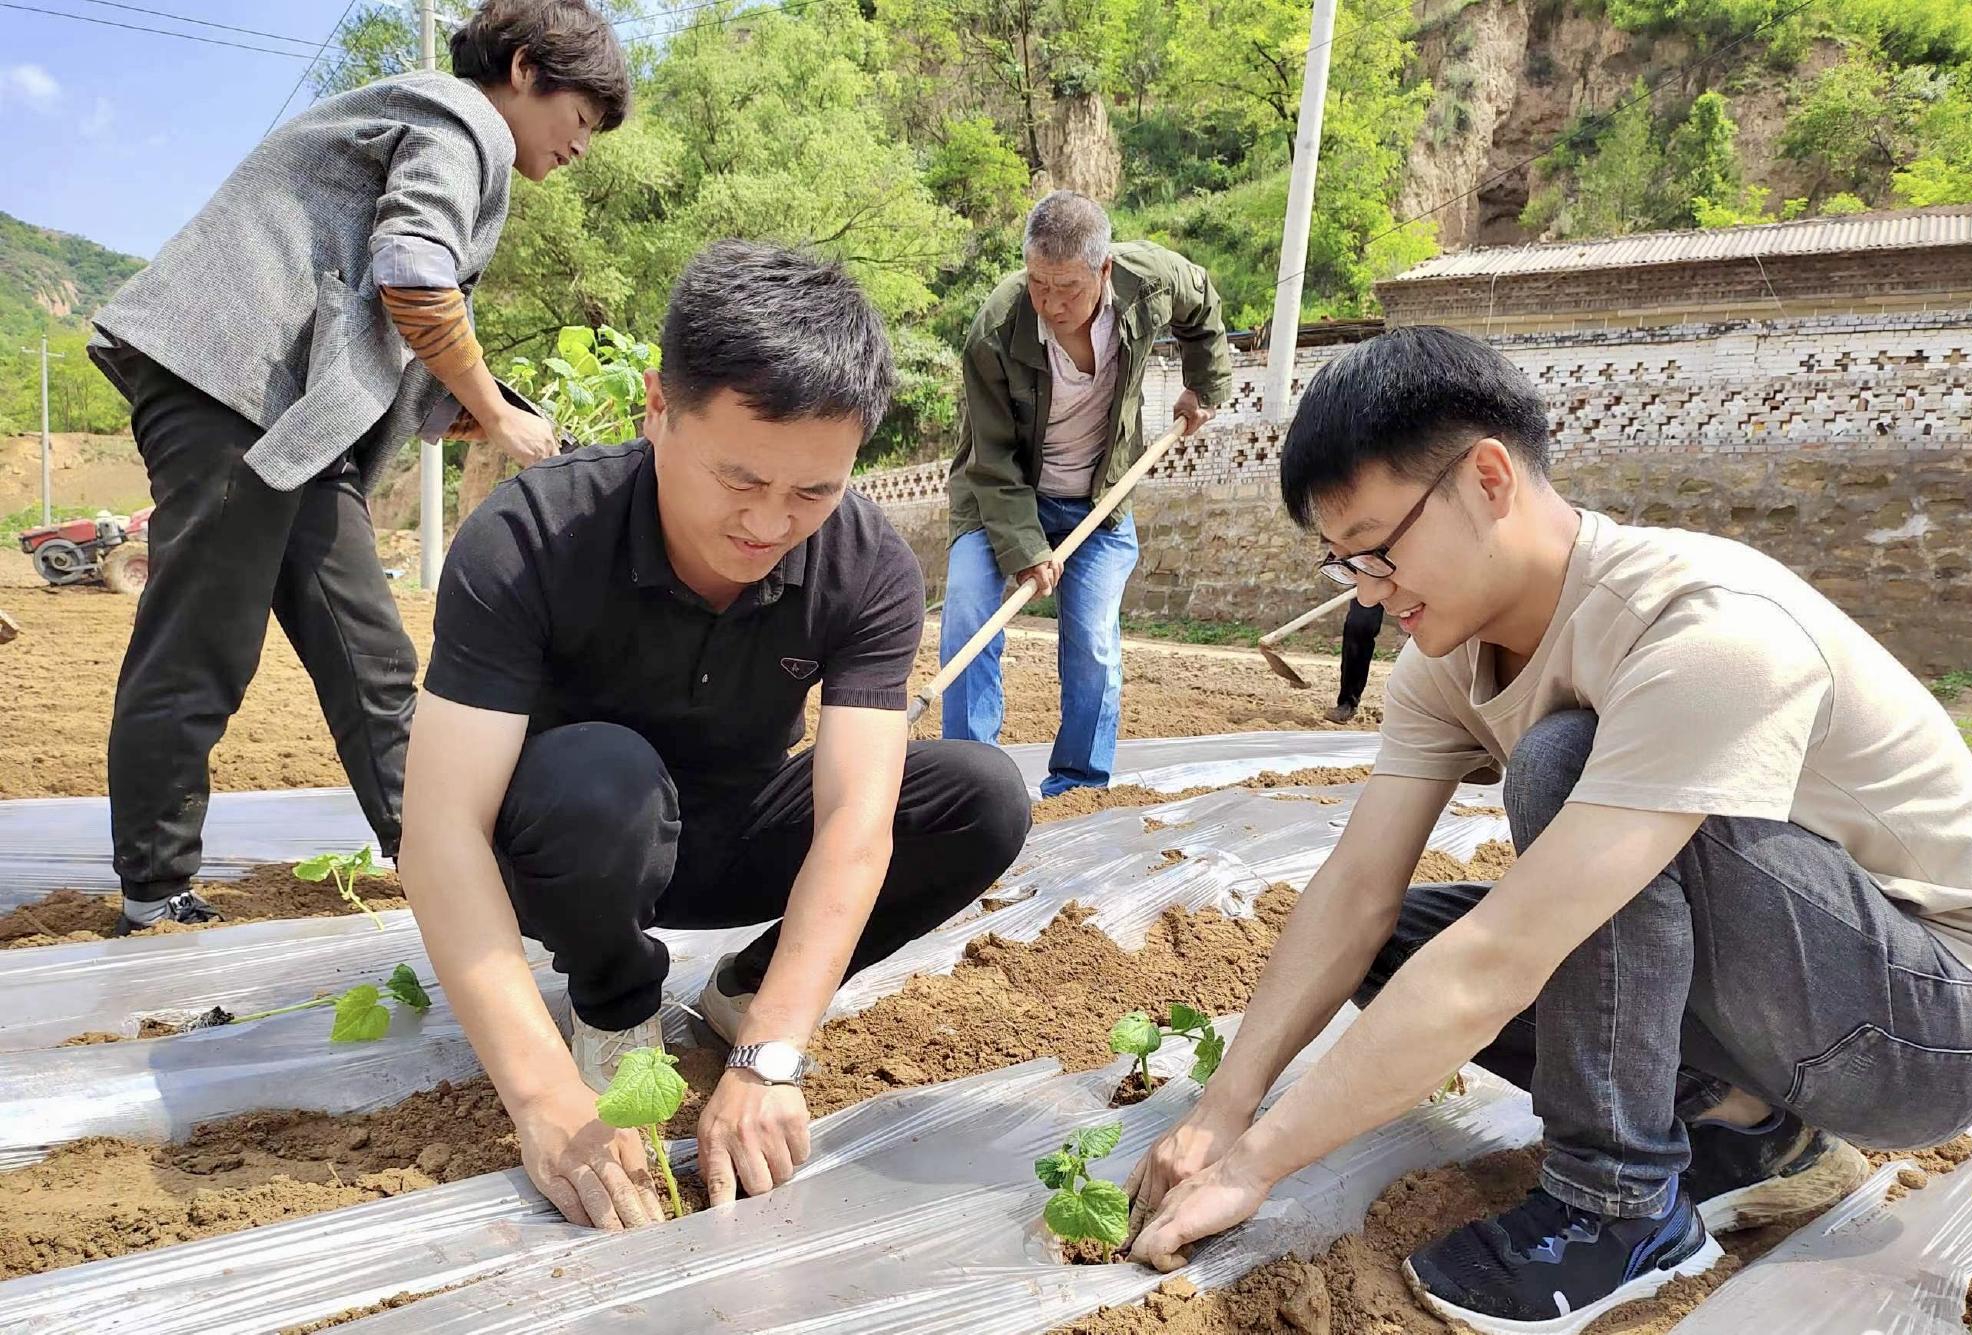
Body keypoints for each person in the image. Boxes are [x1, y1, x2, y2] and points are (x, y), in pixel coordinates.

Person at [1120, 326, 1972, 1335]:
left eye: (1378, 550)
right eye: (1344, 564)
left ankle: (1620, 1208)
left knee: (1563, 763)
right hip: (1785, 996)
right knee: (1388, 944)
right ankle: (1742, 1132)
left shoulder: (1699, 630)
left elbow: (1505, 955)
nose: (1368, 591)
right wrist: (1220, 1111)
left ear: (1485, 478)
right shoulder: (1446, 660)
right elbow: (1353, 888)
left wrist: (1257, 1167)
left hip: (1934, 1026)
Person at [398, 241, 1033, 1233]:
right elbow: (437, 830)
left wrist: (772, 1050)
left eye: (812, 492)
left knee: (978, 794)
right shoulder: (531, 538)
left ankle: (743, 991)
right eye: (739, 479)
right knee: (599, 780)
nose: (770, 522)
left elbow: (855, 827)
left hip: (732, 832)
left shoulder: (863, 567)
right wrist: (539, 1097)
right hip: (574, 849)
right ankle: (611, 1007)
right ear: (659, 408)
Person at [87, 0, 629, 935]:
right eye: (581, 119)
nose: (581, 147)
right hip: (230, 383)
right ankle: (155, 888)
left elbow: (396, 332)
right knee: (202, 640)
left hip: (298, 418)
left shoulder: (447, 132)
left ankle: (439, 855)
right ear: (528, 71)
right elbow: (412, 275)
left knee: (373, 657)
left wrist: (483, 406)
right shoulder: (460, 120)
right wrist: (497, 414)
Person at [940, 192, 1231, 797]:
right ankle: (967, 782)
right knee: (970, 613)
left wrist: (1202, 385)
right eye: (1039, 284)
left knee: (1095, 643)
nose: (1051, 303)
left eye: (1068, 288)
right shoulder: (996, 328)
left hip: (1099, 500)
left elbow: (1200, 297)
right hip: (1001, 495)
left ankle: (1077, 784)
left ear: (1104, 271)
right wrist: (1023, 547)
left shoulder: (1148, 280)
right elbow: (990, 457)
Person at [1325, 597, 1384, 724]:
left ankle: (1420, 709)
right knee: (1359, 623)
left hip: (1422, 579)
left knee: (1423, 630)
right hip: (1375, 578)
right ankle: (1348, 702)